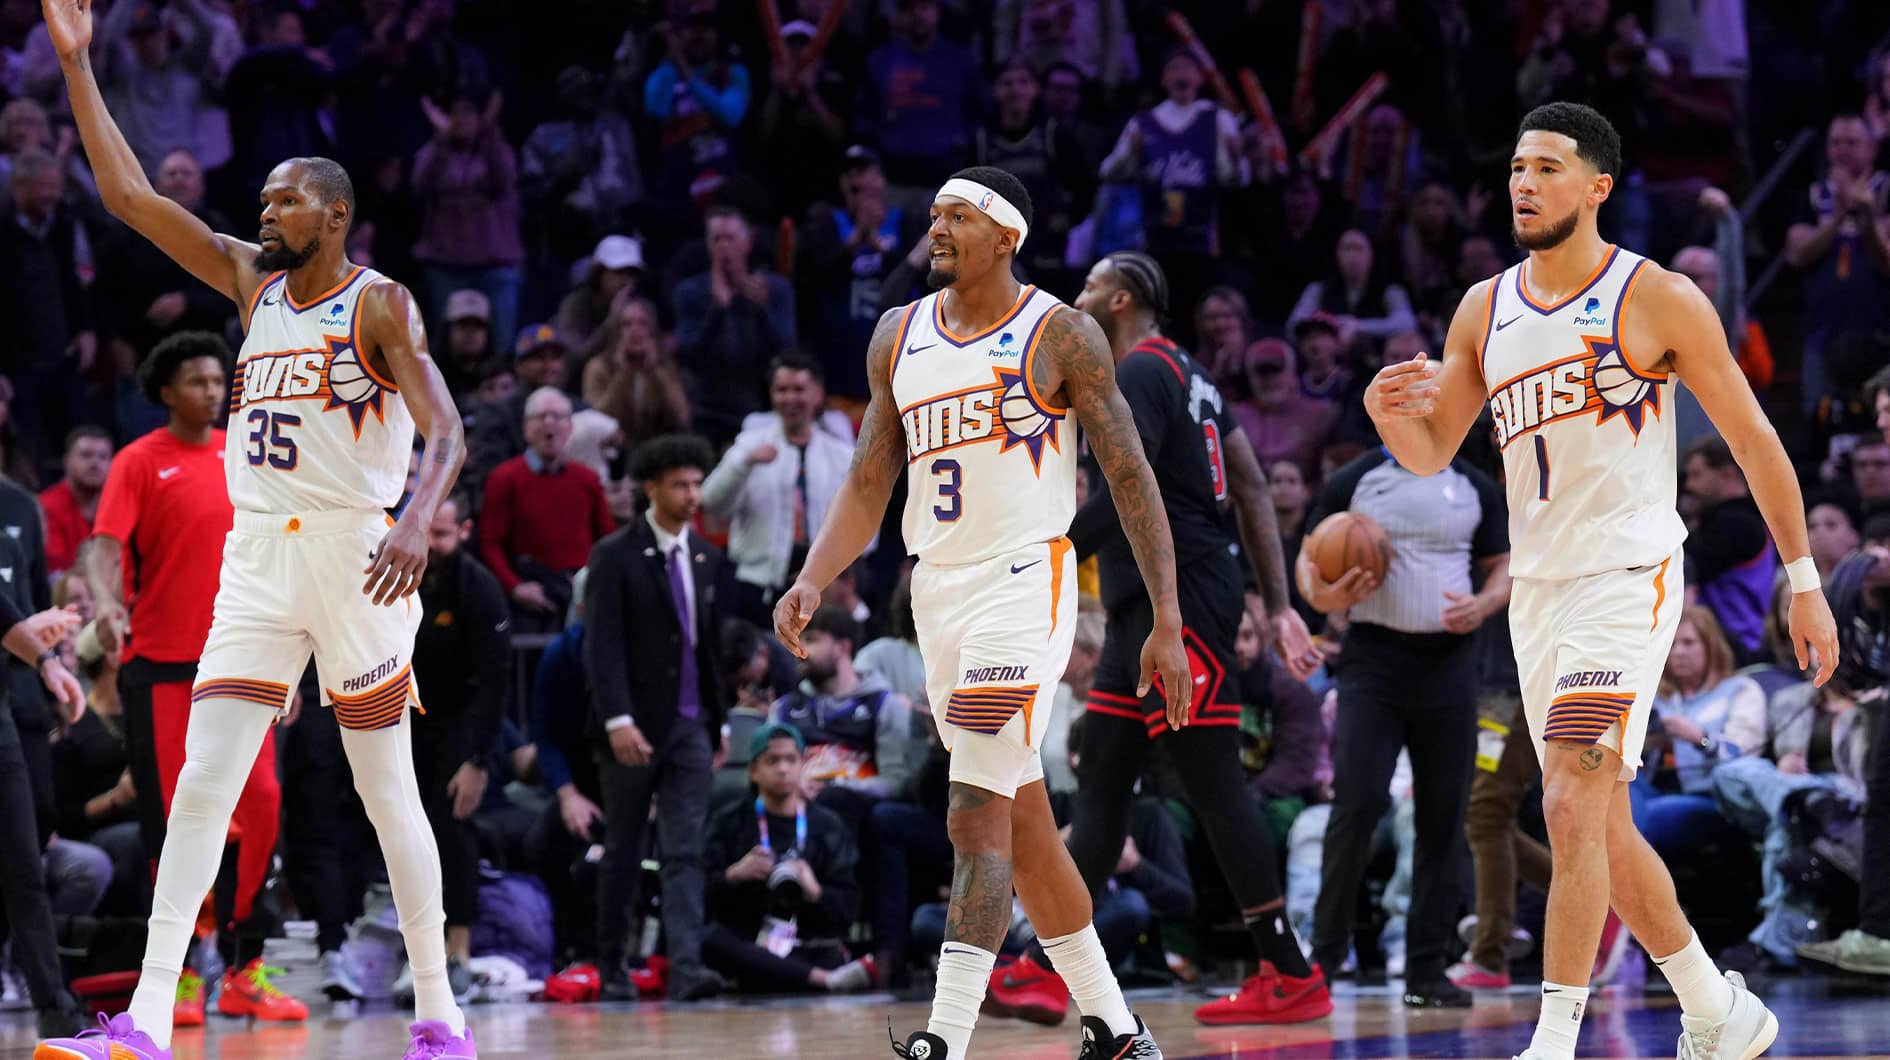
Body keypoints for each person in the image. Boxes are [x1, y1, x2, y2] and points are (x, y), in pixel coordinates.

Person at [39, 1, 478, 1056]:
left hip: (355, 552)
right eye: (266, 198)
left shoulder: (380, 304)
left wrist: (418, 515)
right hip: (259, 554)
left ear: (332, 216)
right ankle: (145, 1015)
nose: (264, 209)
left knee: (385, 790)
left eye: (284, 200)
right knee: (200, 779)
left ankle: (438, 1010)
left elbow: (448, 426)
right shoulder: (253, 284)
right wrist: (76, 61)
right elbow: (130, 196)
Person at [1364, 101, 1841, 1060]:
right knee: (1601, 826)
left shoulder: (1656, 296)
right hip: (1539, 590)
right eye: (1515, 169)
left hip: (1627, 573)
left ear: (1597, 187)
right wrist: (1386, 414)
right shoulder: (1483, 308)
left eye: (1546, 167)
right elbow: (1432, 453)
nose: (1524, 184)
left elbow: (1754, 441)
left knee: (1571, 800)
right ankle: (1717, 1008)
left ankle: (1554, 1040)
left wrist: (1805, 579)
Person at [773, 166, 1190, 1060]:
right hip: (939, 588)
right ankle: (1116, 1029)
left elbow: (1128, 475)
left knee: (971, 810)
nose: (937, 229)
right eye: (933, 216)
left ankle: (944, 1039)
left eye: (957, 216)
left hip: (1022, 578)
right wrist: (814, 576)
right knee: (1025, 824)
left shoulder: (1062, 334)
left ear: (1006, 236)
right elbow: (869, 477)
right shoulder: (899, 334)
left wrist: (1164, 614)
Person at [985, 250, 1328, 1029]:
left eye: (1088, 289)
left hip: (1183, 604)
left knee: (1213, 782)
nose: (1076, 300)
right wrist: (1274, 603)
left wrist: (1033, 552)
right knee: (1104, 778)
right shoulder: (1195, 377)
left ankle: (1288, 969)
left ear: (1122, 298)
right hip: (1156, 601)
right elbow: (1245, 485)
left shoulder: (1138, 370)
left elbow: (1124, 497)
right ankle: (1046, 967)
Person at [82, 333, 302, 1028]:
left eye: (219, 379)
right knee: (175, 823)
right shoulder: (138, 461)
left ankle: (244, 968)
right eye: (199, 380)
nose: (214, 390)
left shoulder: (249, 452)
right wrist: (107, 600)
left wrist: (293, 652)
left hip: (245, 662)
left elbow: (283, 548)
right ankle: (177, 976)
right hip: (163, 670)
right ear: (166, 391)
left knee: (262, 803)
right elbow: (103, 546)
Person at [583, 434, 731, 1004]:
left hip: (691, 723)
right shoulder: (613, 555)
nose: (692, 495)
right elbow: (603, 647)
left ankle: (686, 966)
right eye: (680, 485)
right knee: (622, 846)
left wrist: (718, 722)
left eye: (696, 483)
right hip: (633, 724)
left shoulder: (707, 557)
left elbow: (709, 647)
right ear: (652, 488)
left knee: (685, 848)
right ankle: (612, 964)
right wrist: (617, 718)